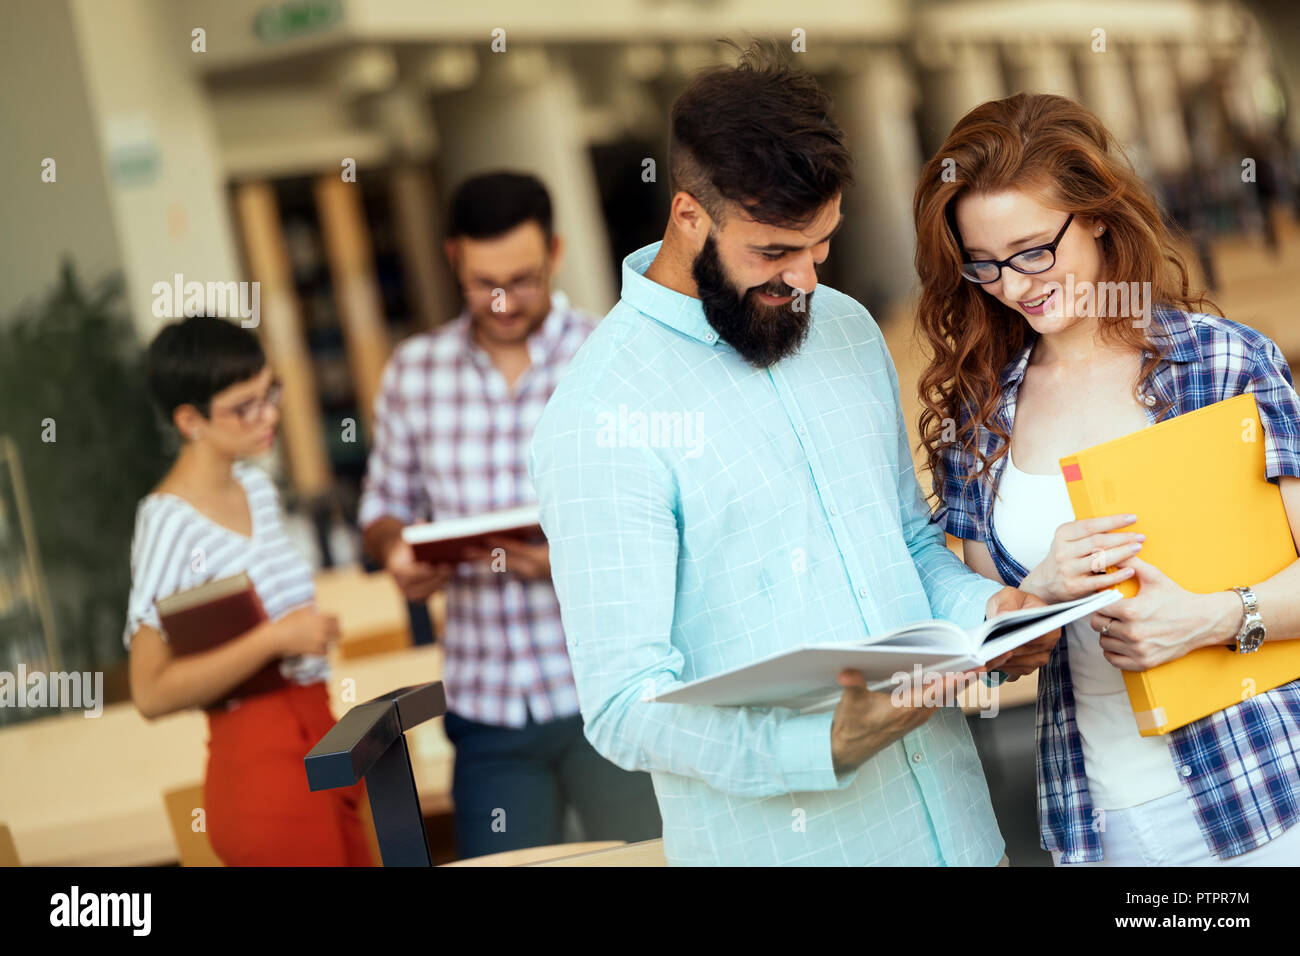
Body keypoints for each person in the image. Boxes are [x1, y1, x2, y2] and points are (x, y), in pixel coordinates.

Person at [529, 40, 1051, 867]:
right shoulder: (601, 412)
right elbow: (624, 704)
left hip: (961, 833)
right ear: (688, 215)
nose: (805, 280)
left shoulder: (844, 328)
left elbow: (908, 547)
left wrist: (987, 619)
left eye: (822, 245)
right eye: (773, 253)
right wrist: (817, 750)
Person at [915, 92, 1300, 866]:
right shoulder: (979, 410)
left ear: (1094, 214)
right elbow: (980, 642)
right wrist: (1043, 589)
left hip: (1271, 788)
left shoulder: (1220, 365)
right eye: (983, 264)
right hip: (1100, 821)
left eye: (1033, 251)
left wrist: (1217, 617)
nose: (1015, 285)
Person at [359, 171, 662, 859]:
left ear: (555, 253)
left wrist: (567, 557)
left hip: (608, 690)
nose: (501, 301)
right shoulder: (414, 373)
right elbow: (382, 507)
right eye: (481, 283)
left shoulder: (609, 354)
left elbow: (660, 516)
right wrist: (395, 552)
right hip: (487, 707)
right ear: (451, 261)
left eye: (521, 281)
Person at [125, 315, 371, 866]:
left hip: (324, 735)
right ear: (190, 420)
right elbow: (150, 691)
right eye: (245, 406)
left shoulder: (257, 487)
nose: (270, 416)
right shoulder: (168, 523)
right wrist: (275, 640)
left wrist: (300, 634)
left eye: (270, 393)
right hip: (260, 766)